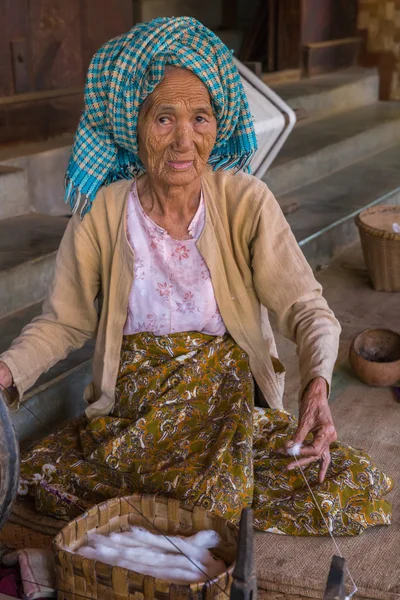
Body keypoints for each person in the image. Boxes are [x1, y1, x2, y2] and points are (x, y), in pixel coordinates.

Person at [0, 17, 392, 536]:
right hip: (137, 411)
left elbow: (304, 306)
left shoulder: (245, 202)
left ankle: (185, 500)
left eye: (201, 118)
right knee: (45, 475)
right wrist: (6, 373)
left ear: (218, 124)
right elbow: (63, 323)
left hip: (224, 403)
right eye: (165, 119)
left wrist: (316, 385)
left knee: (345, 484)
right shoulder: (101, 213)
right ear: (135, 127)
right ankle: (192, 502)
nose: (185, 141)